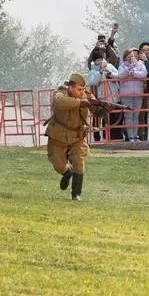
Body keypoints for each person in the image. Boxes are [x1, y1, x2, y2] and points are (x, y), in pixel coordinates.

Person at [46, 73, 99, 201]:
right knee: (58, 165)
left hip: (77, 135)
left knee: (78, 163)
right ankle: (66, 172)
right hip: (58, 135)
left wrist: (103, 110)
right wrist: (81, 103)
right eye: (79, 89)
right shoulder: (60, 93)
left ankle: (76, 194)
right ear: (70, 87)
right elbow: (60, 102)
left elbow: (96, 109)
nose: (81, 92)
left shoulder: (86, 95)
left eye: (82, 89)